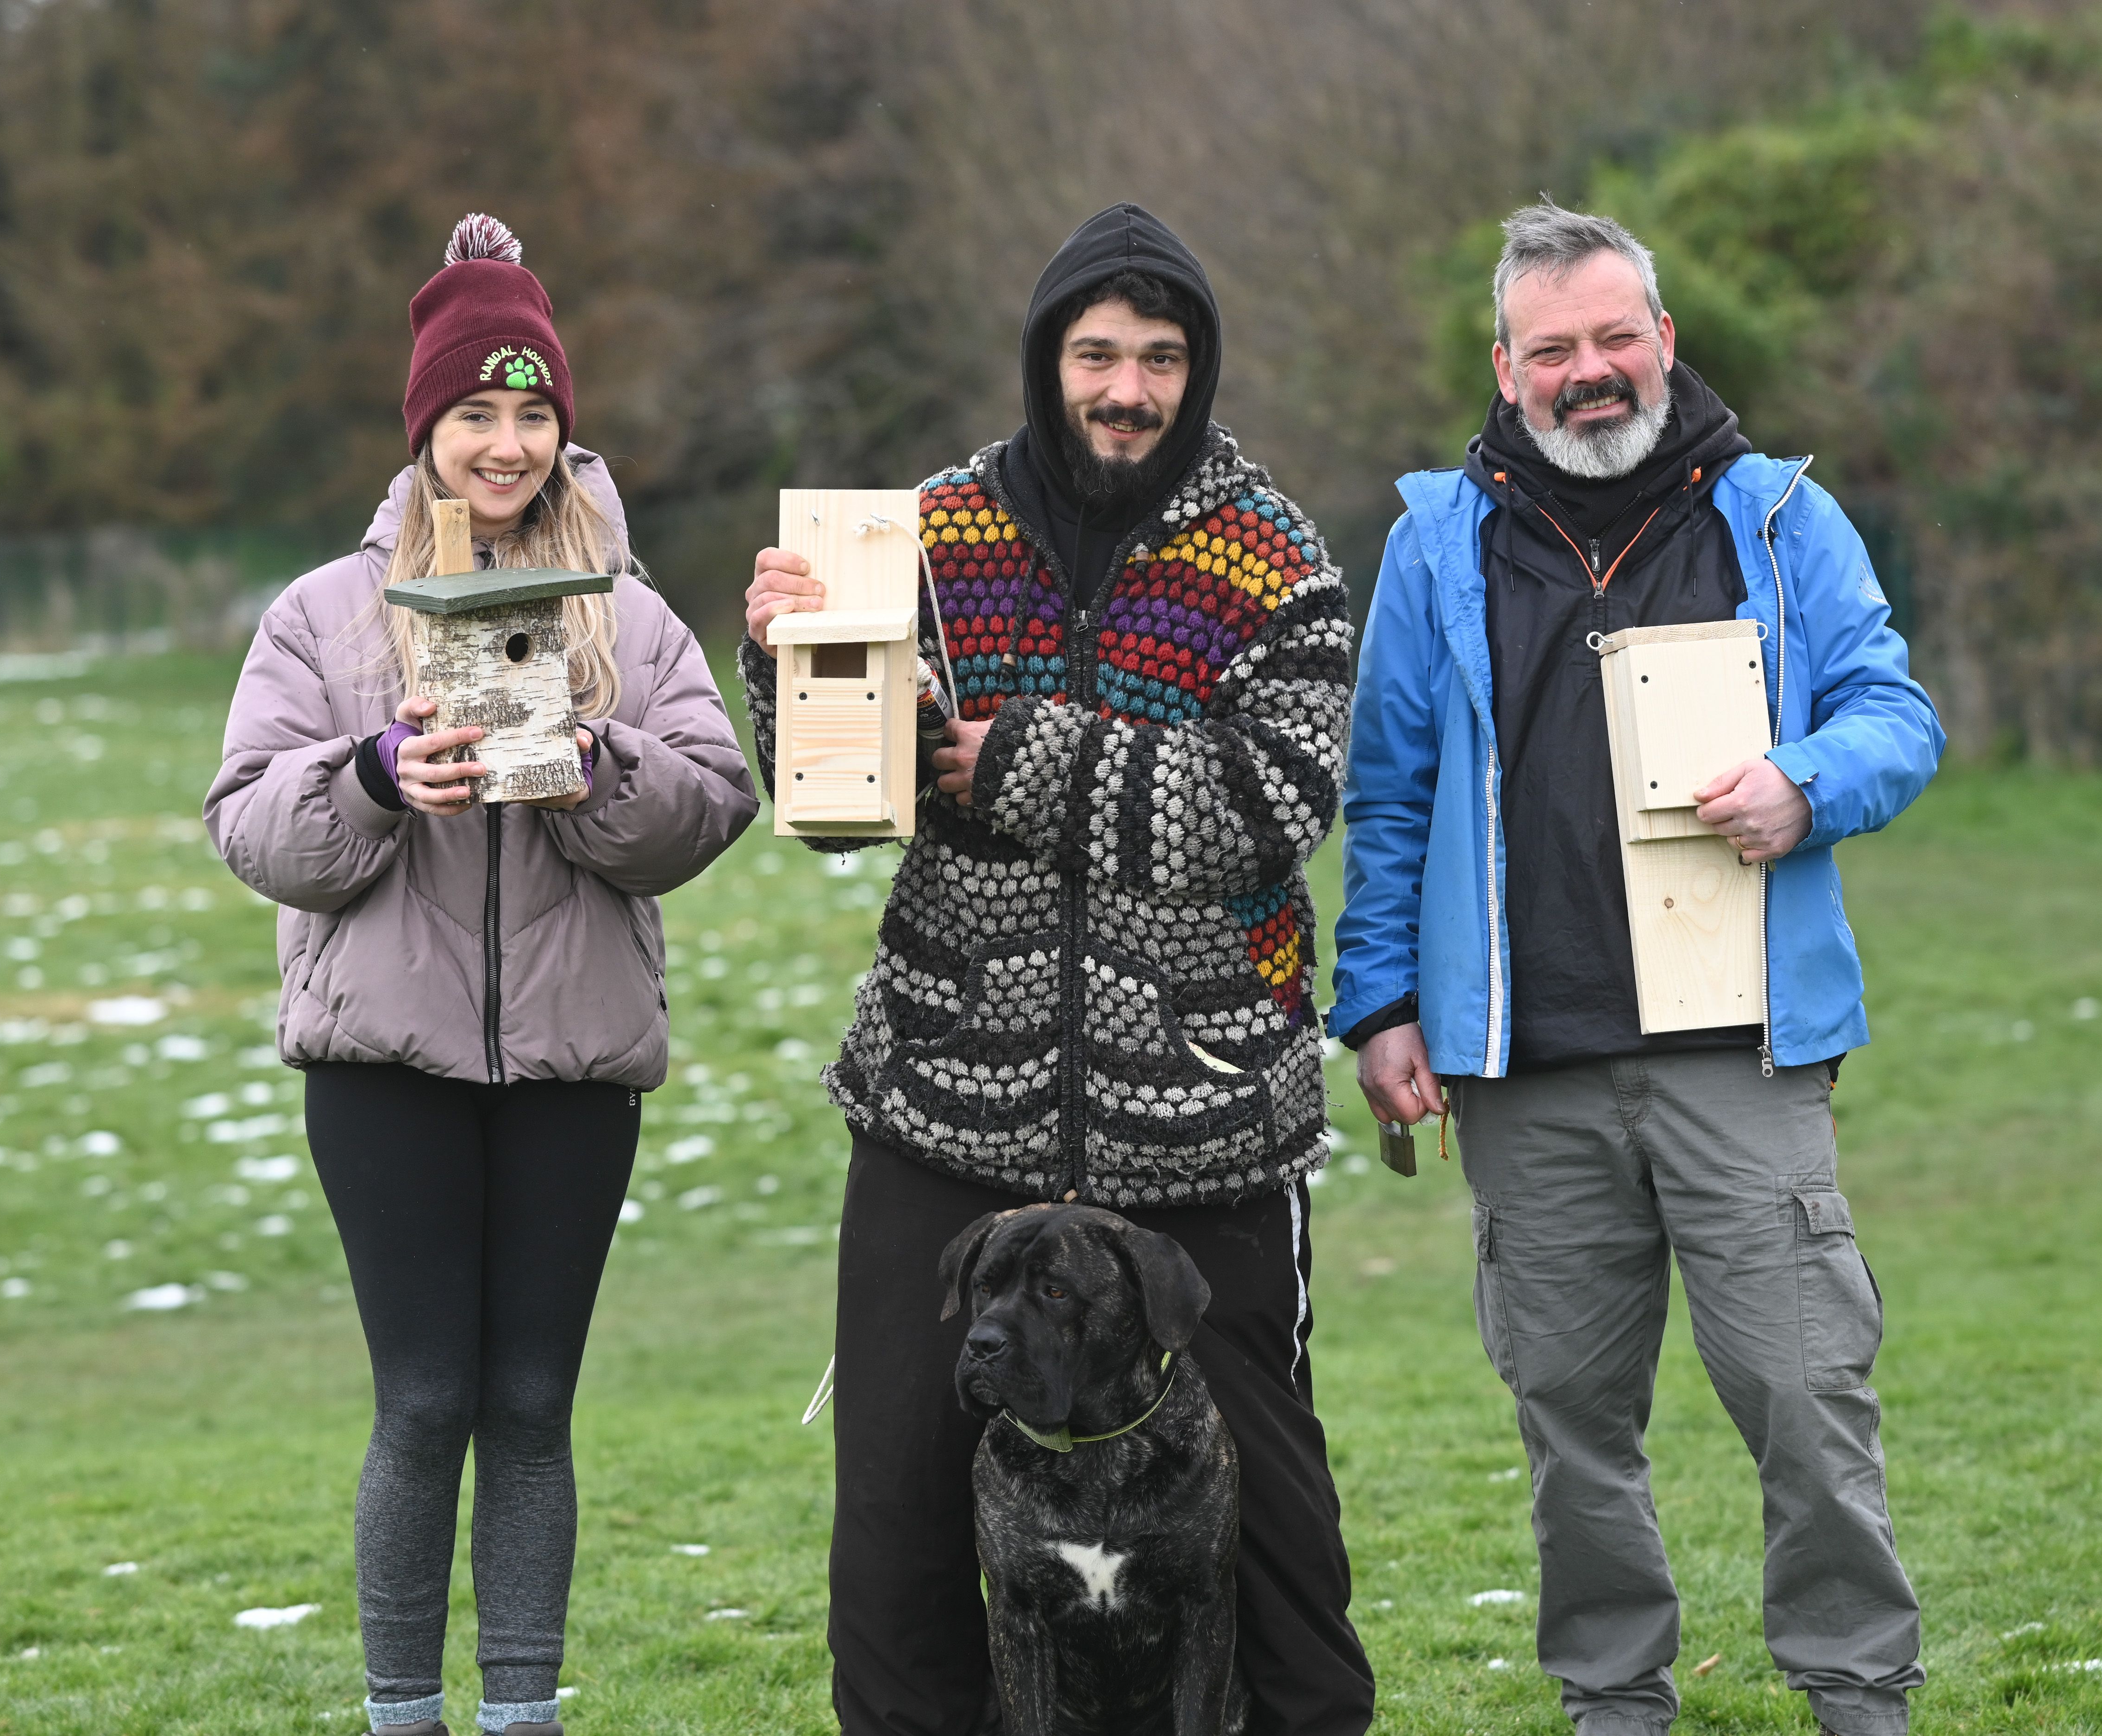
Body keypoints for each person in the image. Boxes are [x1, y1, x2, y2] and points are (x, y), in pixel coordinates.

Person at [740, 203, 1373, 1736]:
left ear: (1198, 372)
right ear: (1046, 361)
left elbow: (1269, 805)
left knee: (1277, 1539)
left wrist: (1019, 757)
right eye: (1098, 354)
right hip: (947, 1103)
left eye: (1161, 359)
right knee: (895, 1523)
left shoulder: (1275, 561)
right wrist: (788, 674)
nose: (1128, 390)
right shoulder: (923, 539)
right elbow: (843, 815)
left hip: (1206, 1122)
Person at [1330, 201, 1942, 1736]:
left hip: (1743, 1049)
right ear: (1507, 366)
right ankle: (1616, 1704)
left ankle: (1859, 1693)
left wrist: (1806, 780)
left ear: (1664, 339)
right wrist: (1385, 1004)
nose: (1588, 373)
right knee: (1570, 1424)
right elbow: (1389, 792)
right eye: (1554, 351)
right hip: (1525, 1067)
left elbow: (1897, 714)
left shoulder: (1784, 520)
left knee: (1807, 1401)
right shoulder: (1432, 544)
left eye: (1614, 338)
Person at [205, 214, 757, 1736]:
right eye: (475, 415)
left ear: (563, 428)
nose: (506, 445)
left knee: (530, 1410)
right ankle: (404, 1713)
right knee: (427, 1402)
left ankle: (523, 1715)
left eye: (532, 415)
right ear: (426, 428)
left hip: (574, 1072)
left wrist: (600, 769)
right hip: (385, 1072)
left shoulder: (631, 617)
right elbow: (253, 828)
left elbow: (713, 804)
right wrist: (377, 777)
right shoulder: (324, 614)